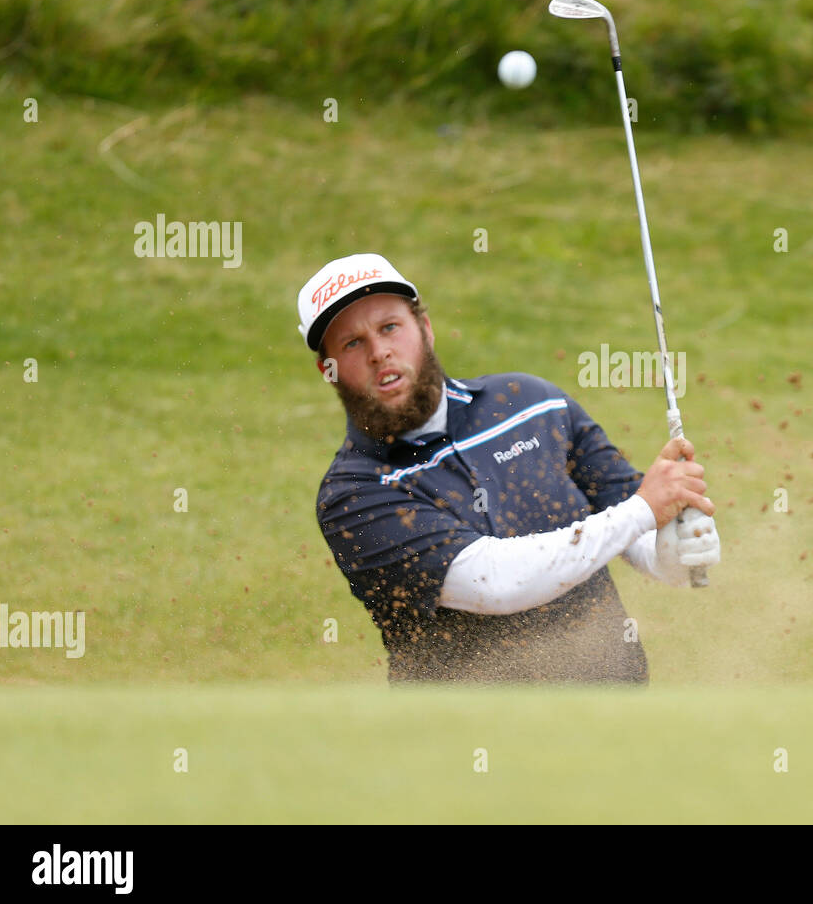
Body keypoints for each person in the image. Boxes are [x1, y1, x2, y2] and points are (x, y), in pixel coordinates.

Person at [296, 253, 722, 683]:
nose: (378, 352)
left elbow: (637, 533)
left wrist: (673, 548)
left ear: (425, 329)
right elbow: (494, 582)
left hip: (614, 717)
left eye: (390, 327)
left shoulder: (531, 403)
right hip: (468, 739)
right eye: (352, 343)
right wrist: (645, 509)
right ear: (328, 370)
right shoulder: (352, 496)